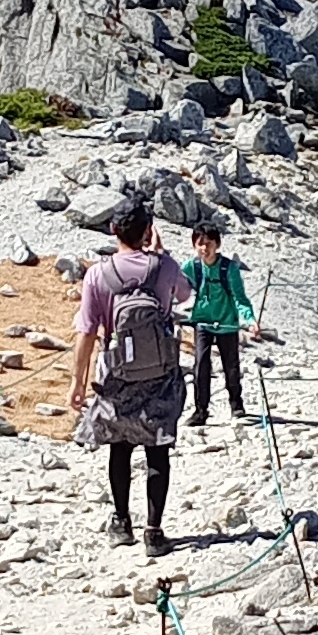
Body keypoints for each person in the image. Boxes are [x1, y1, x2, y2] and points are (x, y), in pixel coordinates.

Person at [71, 197, 188, 551]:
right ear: (148, 231)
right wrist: (161, 257)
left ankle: (122, 523)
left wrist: (77, 382)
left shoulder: (97, 274)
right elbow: (185, 295)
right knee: (157, 450)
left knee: (119, 448)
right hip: (160, 374)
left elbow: (86, 332)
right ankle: (154, 532)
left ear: (112, 229)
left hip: (117, 373)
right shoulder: (164, 267)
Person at [184, 218, 254, 428]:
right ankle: (201, 410)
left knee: (231, 365)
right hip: (203, 323)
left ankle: (236, 404)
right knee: (201, 365)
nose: (204, 249)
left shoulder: (229, 268)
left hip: (227, 323)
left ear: (218, 244)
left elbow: (240, 298)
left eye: (209, 243)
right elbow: (175, 286)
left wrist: (250, 320)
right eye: (200, 243)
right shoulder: (191, 267)